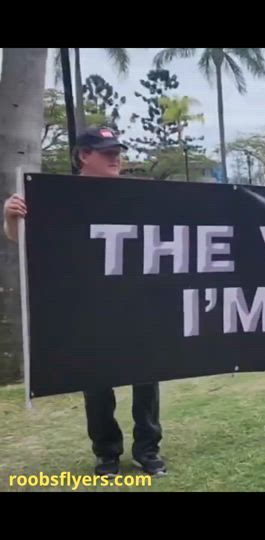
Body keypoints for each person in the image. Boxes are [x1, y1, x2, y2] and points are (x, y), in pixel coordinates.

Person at [3, 127, 167, 477]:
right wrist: (10, 216)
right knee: (96, 381)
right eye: (106, 152)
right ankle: (107, 453)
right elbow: (25, 241)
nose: (115, 157)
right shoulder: (56, 195)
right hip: (88, 308)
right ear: (83, 156)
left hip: (135, 303)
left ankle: (148, 450)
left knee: (147, 376)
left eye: (117, 151)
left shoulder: (135, 194)